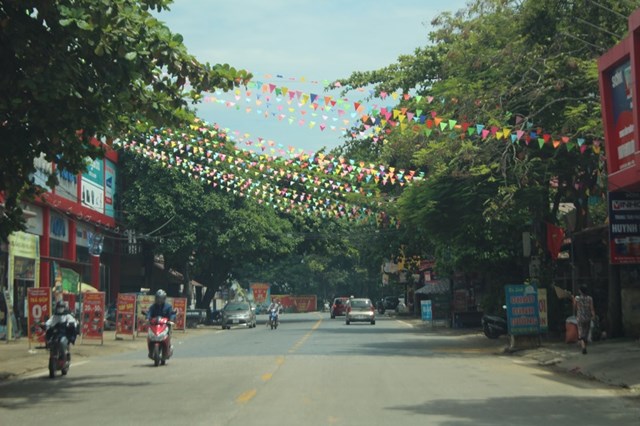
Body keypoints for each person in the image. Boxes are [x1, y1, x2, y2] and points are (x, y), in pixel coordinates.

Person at [573, 285, 596, 355]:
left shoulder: (577, 298)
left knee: (581, 332)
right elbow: (591, 308)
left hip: (580, 317)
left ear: (580, 291)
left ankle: (583, 347)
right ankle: (584, 344)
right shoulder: (590, 298)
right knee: (586, 332)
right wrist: (593, 315)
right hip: (587, 318)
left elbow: (575, 306)